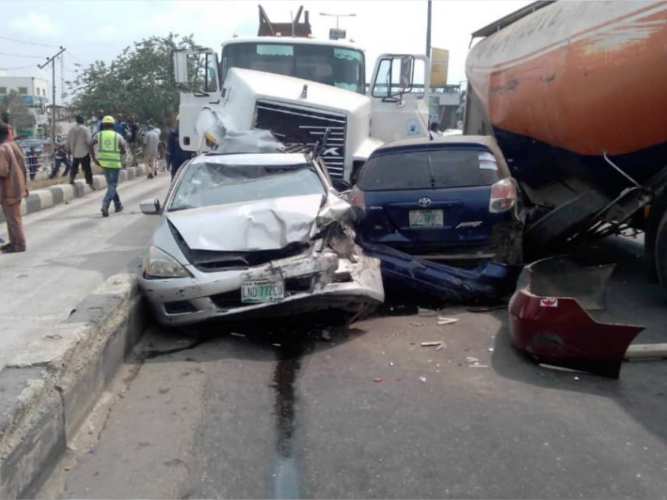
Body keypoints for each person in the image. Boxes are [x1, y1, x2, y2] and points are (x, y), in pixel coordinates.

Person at [90, 115, 126, 217]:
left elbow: (90, 144)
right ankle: (105, 204)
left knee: (111, 185)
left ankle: (118, 205)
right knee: (113, 185)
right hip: (114, 163)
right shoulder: (117, 136)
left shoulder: (99, 135)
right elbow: (123, 151)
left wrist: (94, 158)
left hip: (104, 163)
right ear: (113, 125)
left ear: (103, 124)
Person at [0, 122, 28, 253]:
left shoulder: (2, 149)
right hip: (19, 186)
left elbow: (2, 171)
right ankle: (13, 242)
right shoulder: (15, 146)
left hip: (8, 189)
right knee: (13, 217)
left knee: (13, 218)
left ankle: (19, 244)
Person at [67, 115, 94, 189]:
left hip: (75, 151)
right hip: (84, 151)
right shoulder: (85, 129)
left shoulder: (71, 129)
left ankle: (71, 179)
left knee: (74, 166)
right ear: (82, 121)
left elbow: (68, 140)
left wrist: (68, 149)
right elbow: (89, 141)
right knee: (87, 168)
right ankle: (90, 183)